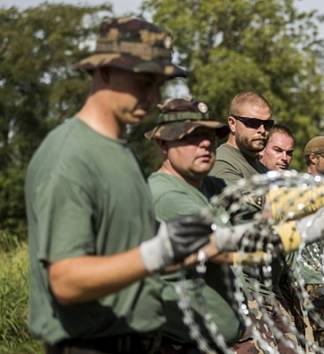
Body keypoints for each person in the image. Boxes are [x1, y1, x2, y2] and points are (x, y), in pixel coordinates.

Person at [25, 17, 214, 354]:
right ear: (103, 71)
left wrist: (228, 240)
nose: (153, 95)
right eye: (143, 81)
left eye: (158, 84)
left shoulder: (118, 151)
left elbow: (136, 246)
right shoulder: (70, 157)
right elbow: (66, 280)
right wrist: (156, 252)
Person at [145, 97, 244, 353]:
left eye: (210, 135)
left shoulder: (209, 185)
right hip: (182, 345)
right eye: (191, 136)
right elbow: (221, 247)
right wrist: (290, 233)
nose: (205, 143)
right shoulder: (166, 195)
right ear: (163, 144)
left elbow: (254, 197)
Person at [209, 91, 273, 185]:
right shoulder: (222, 164)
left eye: (267, 124)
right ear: (232, 124)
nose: (262, 130)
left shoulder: (261, 168)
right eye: (253, 123)